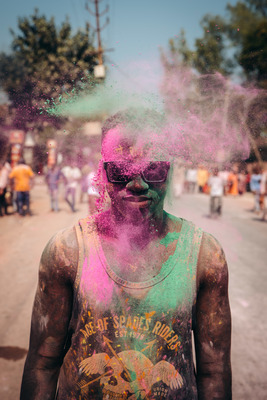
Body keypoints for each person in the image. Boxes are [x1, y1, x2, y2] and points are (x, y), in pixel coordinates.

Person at [20, 109, 232, 400]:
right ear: (103, 172)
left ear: (169, 170)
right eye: (121, 171)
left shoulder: (205, 256)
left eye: (153, 169)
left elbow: (214, 371)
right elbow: (43, 363)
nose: (138, 184)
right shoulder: (67, 251)